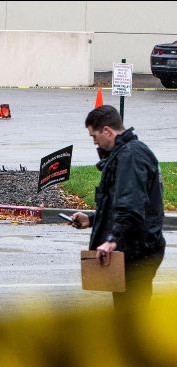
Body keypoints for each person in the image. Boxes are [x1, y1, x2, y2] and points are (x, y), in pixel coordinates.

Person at [69, 105, 166, 314]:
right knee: (127, 316)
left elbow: (131, 207)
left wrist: (112, 240)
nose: (94, 142)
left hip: (138, 251)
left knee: (131, 316)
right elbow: (119, 201)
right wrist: (92, 220)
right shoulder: (127, 153)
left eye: (95, 136)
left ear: (107, 131)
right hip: (134, 248)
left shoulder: (130, 156)